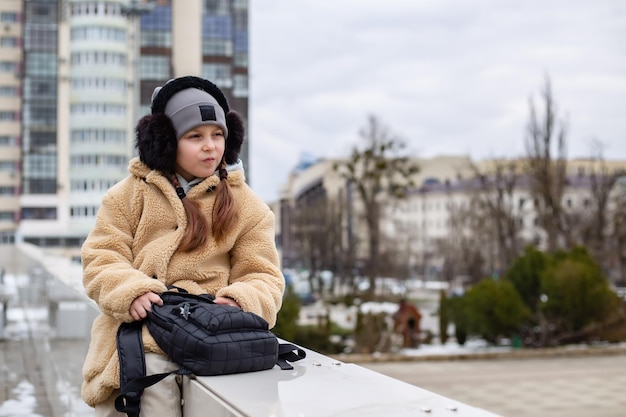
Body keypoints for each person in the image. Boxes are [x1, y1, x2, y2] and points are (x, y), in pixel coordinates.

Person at [80, 76, 285, 416]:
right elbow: (101, 257)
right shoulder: (127, 196)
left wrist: (240, 301)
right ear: (165, 140)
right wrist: (130, 290)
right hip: (140, 339)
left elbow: (264, 274)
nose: (210, 146)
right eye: (195, 137)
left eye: (218, 135)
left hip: (211, 339)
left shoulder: (248, 206)